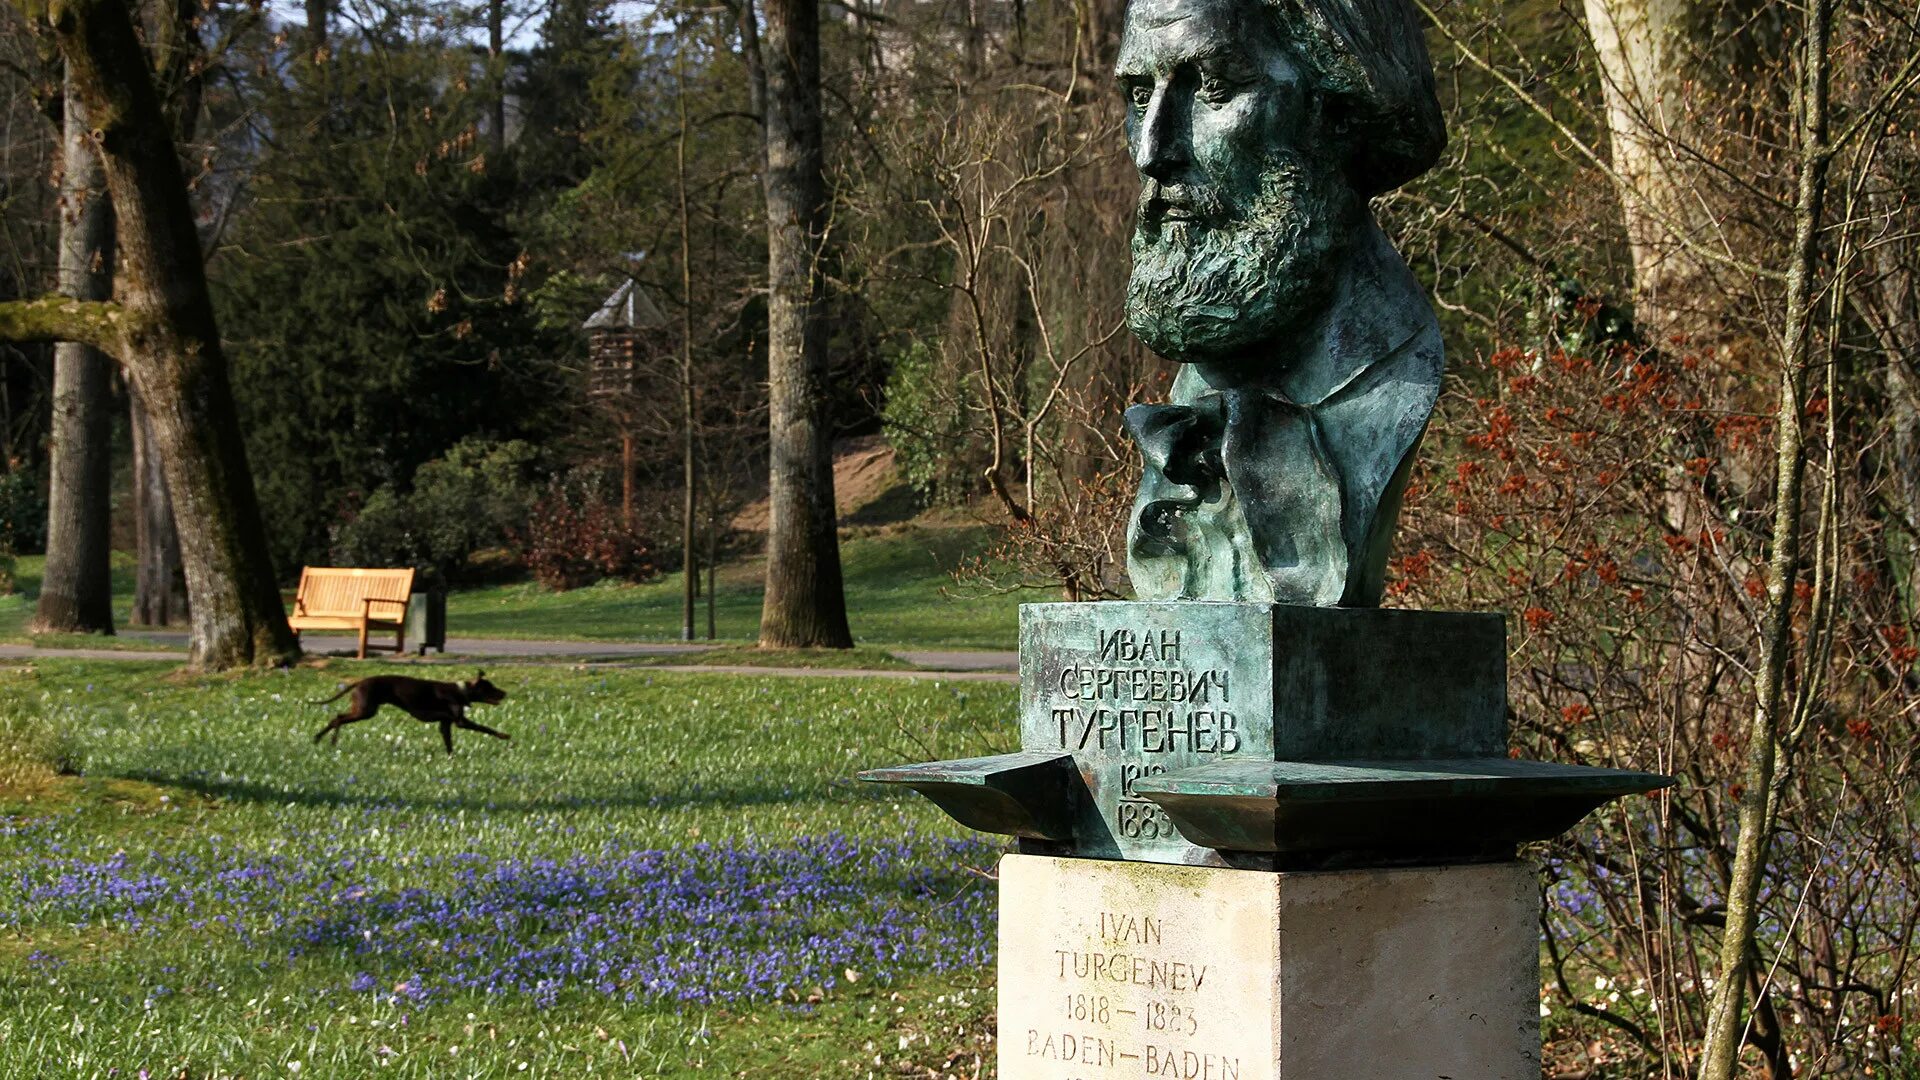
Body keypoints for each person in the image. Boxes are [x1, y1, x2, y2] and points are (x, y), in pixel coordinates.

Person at [1119, 0, 1448, 606]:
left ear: (1341, 112)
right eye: (1141, 95)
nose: (1153, 149)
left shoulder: (1397, 367)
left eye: (1216, 88)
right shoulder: (1193, 391)